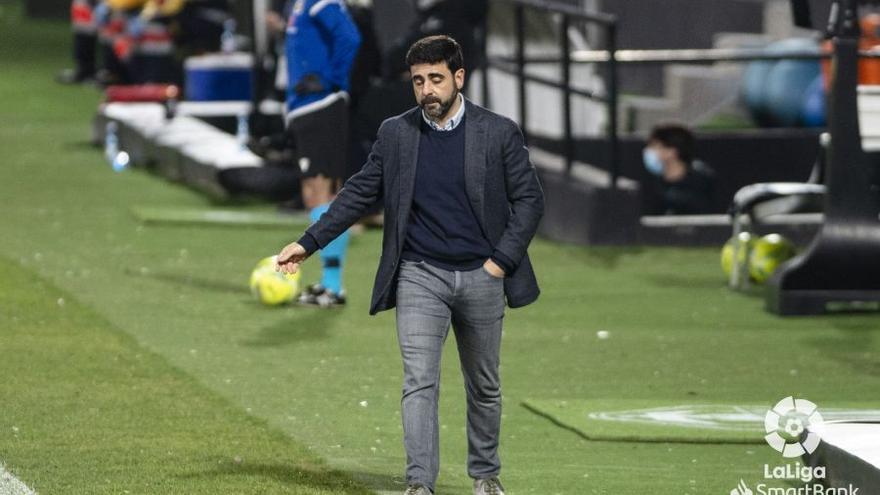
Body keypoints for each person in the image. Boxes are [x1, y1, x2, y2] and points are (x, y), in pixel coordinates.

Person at [275, 35, 544, 495]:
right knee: (419, 380)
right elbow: (359, 193)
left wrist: (500, 263)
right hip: (420, 274)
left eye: (436, 79)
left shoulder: (497, 132)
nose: (427, 91)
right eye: (419, 81)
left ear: (459, 78)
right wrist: (308, 242)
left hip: (483, 274)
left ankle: (485, 476)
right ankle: (419, 483)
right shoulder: (396, 133)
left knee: (484, 385)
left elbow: (530, 200)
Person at [284, 0, 362, 307]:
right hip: (306, 106)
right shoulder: (301, 4)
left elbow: (350, 38)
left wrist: (331, 81)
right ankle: (329, 284)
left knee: (322, 194)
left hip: (320, 105)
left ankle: (333, 287)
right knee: (314, 194)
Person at [642, 123, 715, 215]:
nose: (648, 151)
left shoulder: (702, 180)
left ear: (672, 151)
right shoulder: (651, 183)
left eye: (655, 146)